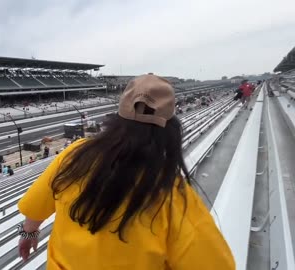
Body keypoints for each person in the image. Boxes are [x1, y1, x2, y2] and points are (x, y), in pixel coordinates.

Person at [17, 75, 234, 270]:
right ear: (168, 130)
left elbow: (36, 209)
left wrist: (28, 234)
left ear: (118, 117)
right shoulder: (171, 194)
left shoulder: (74, 155)